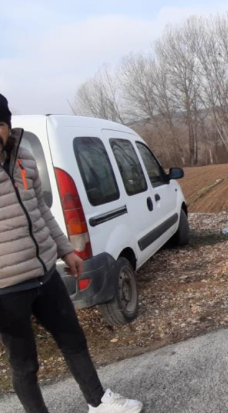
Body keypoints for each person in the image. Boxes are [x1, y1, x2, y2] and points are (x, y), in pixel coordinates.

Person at [0, 92, 142, 413]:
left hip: (45, 274)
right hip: (6, 288)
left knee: (74, 340)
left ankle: (98, 401)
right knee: (25, 364)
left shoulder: (23, 160)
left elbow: (41, 211)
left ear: (7, 126)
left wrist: (67, 251)